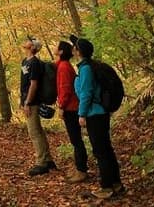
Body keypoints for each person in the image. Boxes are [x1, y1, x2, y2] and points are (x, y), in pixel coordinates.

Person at [74, 37, 124, 198]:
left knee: (100, 151)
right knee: (106, 149)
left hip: (94, 114)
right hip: (100, 112)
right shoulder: (90, 66)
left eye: (75, 47)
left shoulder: (86, 69)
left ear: (79, 51)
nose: (73, 50)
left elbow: (86, 93)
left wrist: (81, 114)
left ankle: (107, 187)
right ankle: (116, 184)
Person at [20, 37, 56, 176]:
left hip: (33, 102)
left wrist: (28, 102)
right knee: (38, 131)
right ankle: (48, 159)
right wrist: (22, 101)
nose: (27, 41)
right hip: (27, 100)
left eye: (30, 41)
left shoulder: (35, 63)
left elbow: (34, 84)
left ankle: (41, 163)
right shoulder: (25, 61)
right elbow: (24, 84)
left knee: (34, 132)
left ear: (33, 47)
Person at [56, 40, 89, 183]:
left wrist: (61, 107)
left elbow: (65, 89)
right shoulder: (63, 65)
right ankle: (79, 168)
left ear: (61, 51)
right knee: (75, 140)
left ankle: (81, 171)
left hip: (71, 108)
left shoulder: (64, 67)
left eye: (56, 47)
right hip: (72, 107)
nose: (54, 49)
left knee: (76, 140)